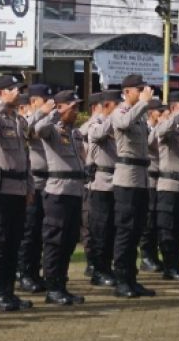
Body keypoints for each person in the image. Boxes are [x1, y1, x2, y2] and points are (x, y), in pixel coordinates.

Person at [0, 73, 33, 312]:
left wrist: (30, 187)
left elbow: (25, 158)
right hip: (0, 190)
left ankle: (9, 291)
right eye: (13, 89)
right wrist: (0, 104)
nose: (18, 93)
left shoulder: (19, 121)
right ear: (0, 93)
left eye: (18, 89)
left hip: (18, 188)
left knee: (14, 242)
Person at [34, 89, 89, 306]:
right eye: (72, 107)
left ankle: (62, 284)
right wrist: (55, 112)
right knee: (55, 241)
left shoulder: (74, 133)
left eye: (76, 107)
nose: (76, 111)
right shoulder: (53, 130)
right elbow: (38, 129)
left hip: (75, 191)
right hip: (57, 193)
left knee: (68, 242)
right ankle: (53, 287)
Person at [110, 75, 157, 299]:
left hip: (141, 177)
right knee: (125, 231)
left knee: (138, 229)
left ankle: (132, 278)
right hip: (126, 178)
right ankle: (121, 279)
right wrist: (143, 104)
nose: (144, 91)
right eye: (139, 89)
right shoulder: (120, 112)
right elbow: (122, 124)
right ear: (127, 92)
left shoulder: (139, 116)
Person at [151, 91, 179, 282]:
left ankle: (176, 265)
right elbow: (159, 133)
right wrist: (177, 115)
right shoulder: (165, 126)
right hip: (168, 186)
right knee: (167, 229)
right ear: (172, 108)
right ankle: (170, 267)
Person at [18, 84, 55, 293]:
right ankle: (25, 274)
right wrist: (42, 113)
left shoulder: (46, 119)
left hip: (48, 183)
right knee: (29, 233)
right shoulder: (27, 118)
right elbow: (24, 130)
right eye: (44, 100)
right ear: (34, 102)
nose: (49, 104)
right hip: (32, 183)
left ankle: (34, 272)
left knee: (41, 233)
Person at [85, 91, 120, 287]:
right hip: (100, 184)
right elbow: (97, 135)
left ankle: (108, 267)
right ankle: (98, 270)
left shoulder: (114, 126)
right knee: (100, 229)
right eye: (116, 106)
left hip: (116, 181)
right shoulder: (96, 123)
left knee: (112, 229)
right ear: (107, 106)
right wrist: (113, 117)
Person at [140, 97, 163, 275]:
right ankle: (146, 256)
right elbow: (147, 143)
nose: (162, 114)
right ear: (150, 113)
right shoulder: (146, 128)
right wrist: (158, 129)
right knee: (148, 220)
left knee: (157, 220)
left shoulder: (160, 129)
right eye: (159, 111)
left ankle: (154, 255)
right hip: (148, 177)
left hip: (161, 178)